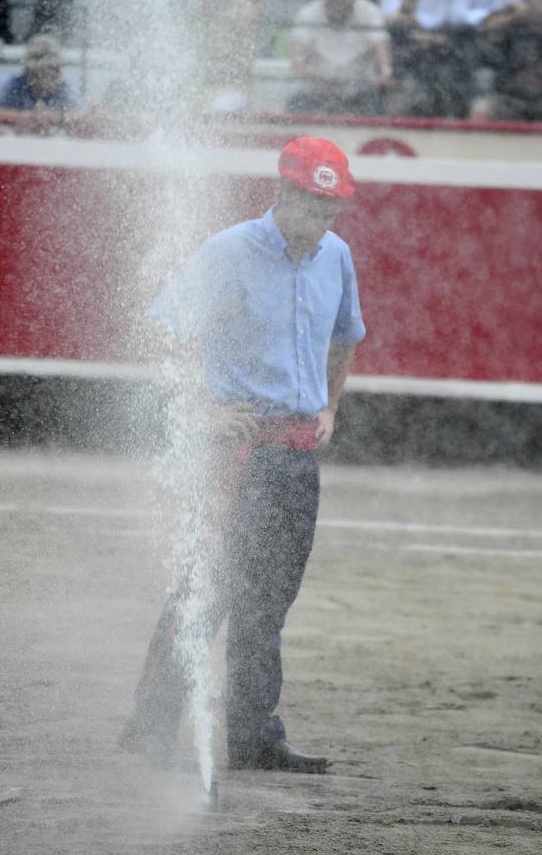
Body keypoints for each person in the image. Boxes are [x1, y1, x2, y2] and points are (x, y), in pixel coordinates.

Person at [119, 136, 366, 774]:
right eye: (313, 206)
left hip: (294, 454)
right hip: (236, 450)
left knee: (271, 599)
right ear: (282, 192)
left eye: (331, 209)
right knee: (211, 586)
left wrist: (331, 406)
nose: (322, 222)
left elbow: (345, 337)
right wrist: (199, 409)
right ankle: (149, 728)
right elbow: (161, 330)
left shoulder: (336, 256)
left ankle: (253, 737)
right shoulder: (229, 251)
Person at [287, 0, 393, 113]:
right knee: (295, 105)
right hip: (317, 94)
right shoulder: (308, 13)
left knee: (378, 108)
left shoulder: (369, 12)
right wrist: (315, 74)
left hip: (359, 94)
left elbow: (381, 49)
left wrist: (385, 72)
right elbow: (297, 60)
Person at [470, 0, 542, 122]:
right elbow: (488, 28)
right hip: (509, 97)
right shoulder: (511, 14)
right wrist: (516, 18)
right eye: (541, 1)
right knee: (481, 111)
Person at [0, 32, 82, 131]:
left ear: (58, 71)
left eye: (49, 69)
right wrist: (28, 117)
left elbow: (84, 116)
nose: (42, 76)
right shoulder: (11, 83)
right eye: (37, 72)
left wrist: (55, 118)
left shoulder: (65, 88)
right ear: (27, 70)